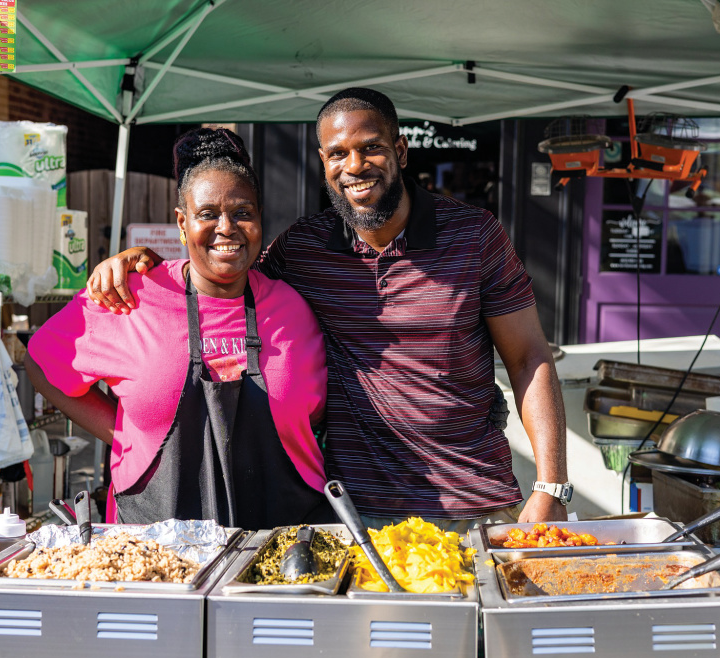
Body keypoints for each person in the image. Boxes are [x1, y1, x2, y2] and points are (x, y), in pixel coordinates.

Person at [88, 89, 569, 530]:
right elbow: (221, 263)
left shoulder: (474, 235)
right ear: (323, 163)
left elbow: (529, 358)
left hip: (477, 505)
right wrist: (141, 265)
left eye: (371, 147)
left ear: (400, 152)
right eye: (338, 153)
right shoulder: (302, 250)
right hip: (353, 515)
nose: (355, 165)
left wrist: (551, 486)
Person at [25, 128, 330, 529]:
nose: (227, 228)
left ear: (260, 217)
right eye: (207, 214)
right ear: (182, 224)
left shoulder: (294, 307)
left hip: (284, 546)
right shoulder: (130, 296)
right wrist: (120, 431)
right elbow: (41, 362)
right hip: (157, 555)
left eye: (243, 212)